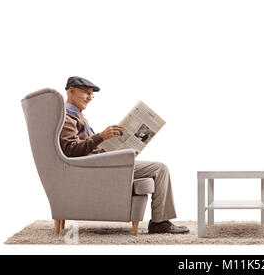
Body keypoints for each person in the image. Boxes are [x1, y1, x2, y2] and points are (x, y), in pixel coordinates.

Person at [59, 76, 189, 234]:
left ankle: (160, 221)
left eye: (92, 94)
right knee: (160, 169)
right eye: (86, 93)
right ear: (71, 91)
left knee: (156, 167)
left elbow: (84, 147)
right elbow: (70, 150)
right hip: (95, 168)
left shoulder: (77, 115)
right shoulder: (67, 116)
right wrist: (101, 136)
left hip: (100, 163)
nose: (90, 98)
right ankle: (159, 223)